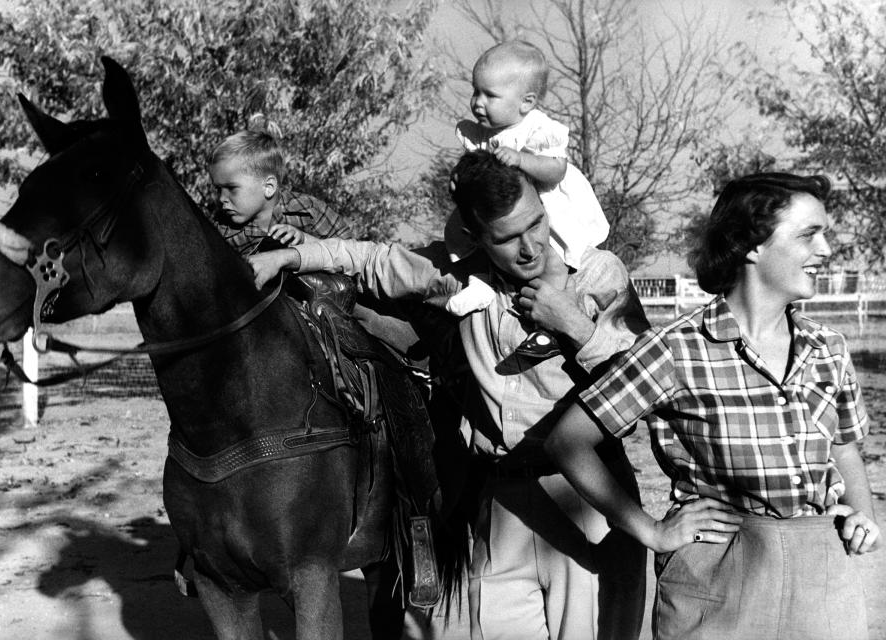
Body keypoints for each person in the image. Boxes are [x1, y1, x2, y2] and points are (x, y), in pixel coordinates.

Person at [249, 150, 648, 640]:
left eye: (535, 224)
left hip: (587, 497)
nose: (530, 248)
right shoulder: (462, 279)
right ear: (478, 238)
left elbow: (643, 389)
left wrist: (575, 325)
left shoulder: (600, 274)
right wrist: (289, 255)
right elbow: (372, 258)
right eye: (507, 238)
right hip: (500, 501)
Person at [545, 172, 880, 639]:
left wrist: (863, 513)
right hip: (718, 575)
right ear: (751, 244)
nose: (826, 250)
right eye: (809, 234)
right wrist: (650, 531)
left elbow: (844, 448)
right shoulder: (673, 349)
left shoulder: (829, 348)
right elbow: (568, 441)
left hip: (823, 575)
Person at [444, 40, 610, 361]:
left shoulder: (537, 129)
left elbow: (556, 169)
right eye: (475, 92)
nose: (478, 103)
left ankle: (548, 329)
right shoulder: (480, 134)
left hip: (544, 203)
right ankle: (481, 287)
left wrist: (521, 160)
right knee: (475, 238)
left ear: (526, 102)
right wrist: (461, 178)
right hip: (505, 208)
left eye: (489, 95)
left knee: (554, 258)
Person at [208, 128, 352, 256]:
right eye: (218, 189)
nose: (222, 198)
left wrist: (306, 241)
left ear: (269, 187)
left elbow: (352, 254)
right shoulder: (220, 230)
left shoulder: (308, 210)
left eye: (232, 188)